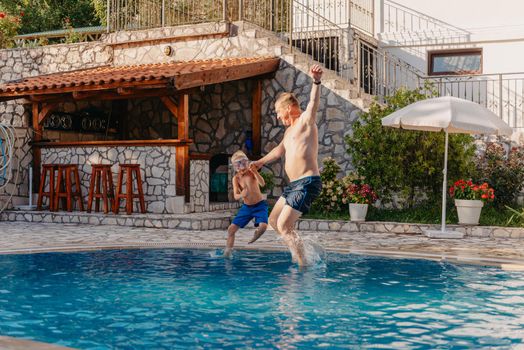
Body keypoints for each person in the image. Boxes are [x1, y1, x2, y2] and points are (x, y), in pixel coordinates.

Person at [251, 65, 323, 266]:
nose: (277, 116)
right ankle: (301, 251)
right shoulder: (289, 132)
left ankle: (303, 265)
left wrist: (316, 82)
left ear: (288, 108)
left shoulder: (305, 122)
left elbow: (313, 104)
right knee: (274, 221)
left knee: (283, 224)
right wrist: (260, 162)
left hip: (307, 182)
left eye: (277, 112)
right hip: (294, 186)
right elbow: (279, 151)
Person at [224, 150, 269, 258]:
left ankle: (256, 235)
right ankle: (227, 252)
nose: (241, 166)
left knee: (263, 227)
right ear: (235, 167)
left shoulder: (251, 172)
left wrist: (255, 172)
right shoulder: (236, 178)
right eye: (238, 164)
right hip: (247, 208)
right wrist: (242, 195)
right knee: (231, 229)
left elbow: (262, 183)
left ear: (246, 162)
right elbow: (235, 195)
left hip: (259, 205)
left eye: (243, 163)